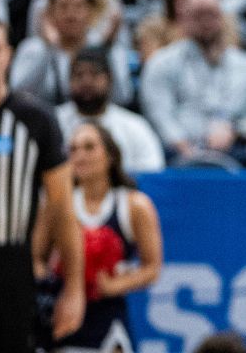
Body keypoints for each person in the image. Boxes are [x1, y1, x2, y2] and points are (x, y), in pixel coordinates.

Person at [0, 16, 84, 351]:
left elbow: (62, 208)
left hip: (10, 265)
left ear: (9, 55)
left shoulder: (36, 119)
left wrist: (74, 289)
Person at [37, 121, 162, 353]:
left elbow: (152, 268)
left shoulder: (134, 205)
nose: (80, 156)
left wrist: (114, 285)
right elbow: (37, 259)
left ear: (111, 155)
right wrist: (56, 277)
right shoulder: (56, 205)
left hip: (109, 317)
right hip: (64, 313)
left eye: (89, 147)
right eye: (73, 149)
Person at [140, 0, 246, 163]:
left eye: (211, 14)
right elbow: (160, 117)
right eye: (198, 15)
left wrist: (234, 131)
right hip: (178, 154)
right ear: (183, 18)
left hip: (235, 149)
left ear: (222, 17)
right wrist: (184, 147)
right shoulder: (161, 63)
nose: (205, 21)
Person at [10, 0, 133, 107]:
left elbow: (123, 97)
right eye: (63, 6)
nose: (71, 14)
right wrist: (49, 48)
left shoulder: (107, 46)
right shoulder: (34, 48)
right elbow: (16, 92)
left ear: (91, 12)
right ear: (51, 12)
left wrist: (106, 50)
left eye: (78, 6)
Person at [54, 47, 165, 173]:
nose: (86, 81)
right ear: (68, 80)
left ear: (110, 79)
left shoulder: (135, 126)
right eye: (79, 75)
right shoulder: (52, 122)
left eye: (95, 74)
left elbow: (152, 175)